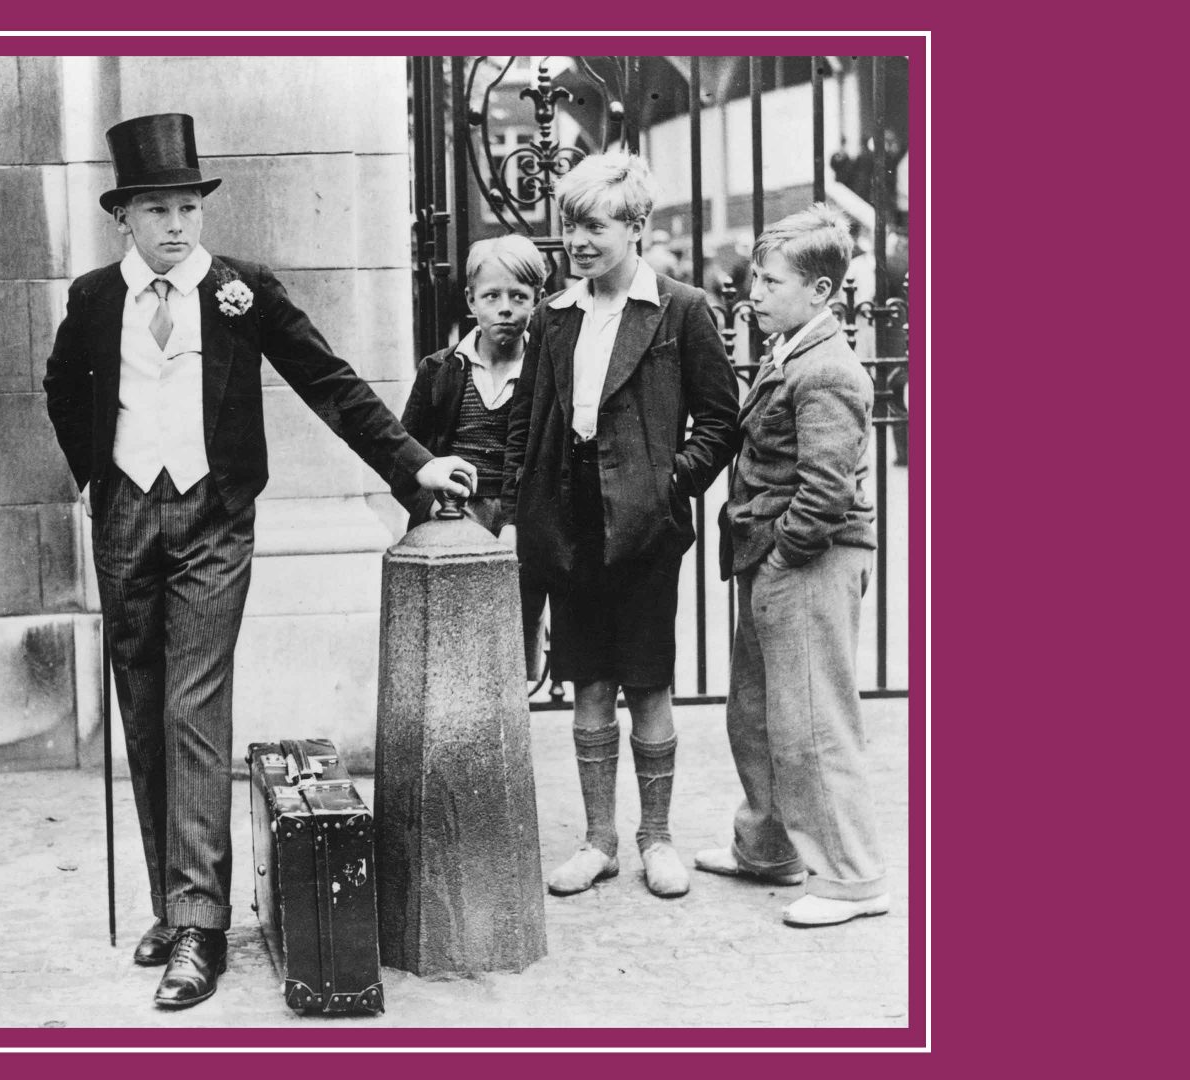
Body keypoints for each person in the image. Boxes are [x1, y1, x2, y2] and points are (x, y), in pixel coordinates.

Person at [42, 113, 474, 1009]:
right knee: (143, 703)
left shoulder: (241, 290)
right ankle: (174, 895)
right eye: (155, 207)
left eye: (187, 206)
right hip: (124, 513)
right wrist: (97, 473)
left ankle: (200, 926)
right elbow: (58, 387)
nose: (175, 224)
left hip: (212, 516)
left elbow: (331, 382)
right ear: (123, 216)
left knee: (196, 702)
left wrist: (415, 463)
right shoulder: (92, 299)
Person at [503, 152, 739, 900]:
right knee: (589, 683)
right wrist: (523, 506)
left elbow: (721, 421)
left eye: (596, 225)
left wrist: (672, 484)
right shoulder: (553, 316)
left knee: (648, 683)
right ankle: (599, 839)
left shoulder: (681, 309)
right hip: (568, 520)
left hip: (642, 527)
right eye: (571, 224)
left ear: (636, 228)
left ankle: (657, 838)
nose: (578, 239)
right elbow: (527, 422)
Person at [696, 204, 888, 928]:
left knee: (812, 720)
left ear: (819, 292)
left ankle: (851, 879)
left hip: (808, 559)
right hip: (776, 556)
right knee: (757, 712)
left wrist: (783, 559)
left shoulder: (829, 369)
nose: (754, 292)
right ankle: (768, 848)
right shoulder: (792, 351)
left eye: (771, 282)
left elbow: (827, 487)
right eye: (756, 278)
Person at [396, 233, 548, 679]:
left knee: (511, 654)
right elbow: (405, 456)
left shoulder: (543, 372)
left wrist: (521, 523)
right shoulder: (440, 369)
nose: (506, 308)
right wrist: (433, 512)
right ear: (470, 300)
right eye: (492, 296)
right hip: (452, 517)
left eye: (519, 296)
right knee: (450, 648)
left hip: (518, 523)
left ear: (537, 300)